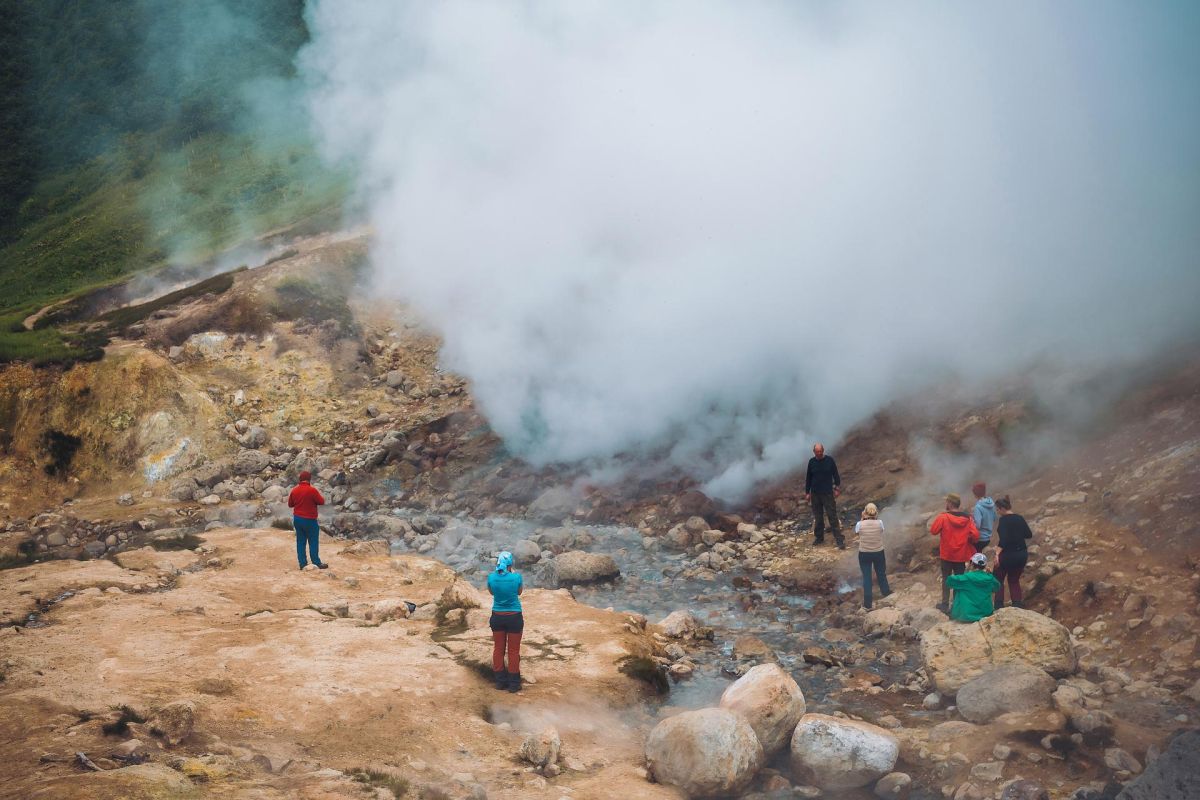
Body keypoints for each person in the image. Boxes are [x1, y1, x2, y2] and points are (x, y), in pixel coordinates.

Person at [930, 493, 979, 612]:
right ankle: (957, 605)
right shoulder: (967, 518)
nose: (946, 504)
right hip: (961, 555)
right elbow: (976, 536)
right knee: (959, 580)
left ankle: (945, 604)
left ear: (950, 503)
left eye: (947, 502)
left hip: (947, 554)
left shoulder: (943, 517)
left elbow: (933, 531)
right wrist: (967, 538)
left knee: (946, 578)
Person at [487, 551, 524, 693]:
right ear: (510, 565)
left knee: (498, 649)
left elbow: (492, 593)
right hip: (514, 616)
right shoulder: (516, 577)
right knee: (513, 651)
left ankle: (500, 682)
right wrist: (512, 574)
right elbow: (519, 592)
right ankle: (514, 684)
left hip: (497, 616)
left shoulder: (491, 577)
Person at [993, 495, 1033, 608]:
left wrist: (997, 554)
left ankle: (998, 605)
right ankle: (1017, 603)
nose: (997, 512)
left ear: (1002, 508)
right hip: (1021, 554)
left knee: (998, 578)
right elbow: (1028, 535)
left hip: (1008, 555)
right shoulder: (1020, 518)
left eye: (997, 509)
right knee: (1014, 580)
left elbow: (1004, 540)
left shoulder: (1003, 520)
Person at [805, 443, 844, 548]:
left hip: (827, 493)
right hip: (815, 494)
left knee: (832, 516)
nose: (819, 453)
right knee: (818, 517)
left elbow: (836, 474)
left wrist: (837, 488)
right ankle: (819, 538)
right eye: (817, 452)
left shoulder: (829, 460)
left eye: (820, 451)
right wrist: (807, 492)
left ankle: (839, 539)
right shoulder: (811, 462)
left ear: (823, 450)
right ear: (814, 452)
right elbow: (808, 477)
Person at [288, 471, 327, 569]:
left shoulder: (294, 490)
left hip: (297, 519)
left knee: (300, 541)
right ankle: (316, 562)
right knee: (313, 541)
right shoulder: (312, 490)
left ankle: (302, 564)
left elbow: (290, 504)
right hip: (310, 520)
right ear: (309, 479)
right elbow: (321, 501)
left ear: (300, 479)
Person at [946, 552, 1001, 622]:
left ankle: (956, 614)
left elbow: (949, 582)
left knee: (960, 587)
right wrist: (990, 574)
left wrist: (966, 570)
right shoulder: (989, 578)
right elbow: (997, 587)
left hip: (968, 615)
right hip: (986, 613)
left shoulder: (966, 578)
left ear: (972, 564)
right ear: (985, 566)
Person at [855, 502, 891, 609]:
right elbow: (881, 531)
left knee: (867, 577)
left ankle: (868, 603)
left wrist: (862, 519)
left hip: (864, 553)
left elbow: (857, 532)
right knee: (881, 573)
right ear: (876, 512)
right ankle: (886, 592)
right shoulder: (880, 523)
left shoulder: (859, 524)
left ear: (864, 512)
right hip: (878, 552)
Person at [971, 482, 996, 554]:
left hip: (979, 538)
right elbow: (994, 518)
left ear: (975, 494)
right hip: (988, 537)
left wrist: (972, 521)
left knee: (975, 559)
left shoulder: (978, 507)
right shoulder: (991, 504)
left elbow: (978, 525)